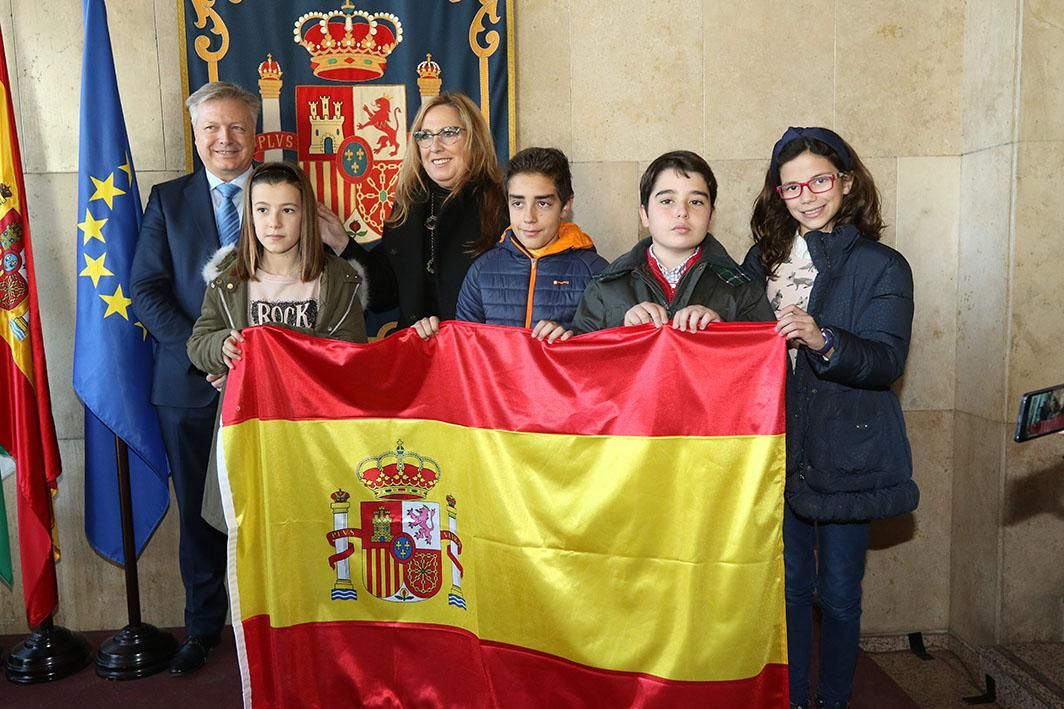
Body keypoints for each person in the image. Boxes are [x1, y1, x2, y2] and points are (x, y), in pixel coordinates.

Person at [742, 126, 918, 709]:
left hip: (847, 447)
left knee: (839, 593)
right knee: (789, 590)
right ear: (778, 194)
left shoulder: (882, 265)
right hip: (775, 448)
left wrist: (824, 340)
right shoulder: (760, 259)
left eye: (819, 180)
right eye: (792, 187)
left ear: (845, 181)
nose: (808, 195)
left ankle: (834, 700)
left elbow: (886, 360)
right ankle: (791, 699)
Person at [130, 81, 260, 675]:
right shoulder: (167, 200)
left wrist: (256, 360)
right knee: (200, 518)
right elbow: (146, 291)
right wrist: (210, 354)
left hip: (269, 389)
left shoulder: (283, 193)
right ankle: (204, 629)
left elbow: (311, 278)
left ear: (255, 132)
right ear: (195, 133)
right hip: (188, 388)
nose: (224, 139)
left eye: (235, 126)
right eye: (211, 127)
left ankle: (274, 625)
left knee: (269, 509)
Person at [334, 92, 506, 330]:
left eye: (449, 133)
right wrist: (342, 243)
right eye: (424, 136)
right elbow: (384, 294)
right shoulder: (408, 207)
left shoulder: (504, 206)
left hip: (475, 355)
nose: (434, 146)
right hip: (416, 356)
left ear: (475, 139)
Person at [186, 161, 367, 377]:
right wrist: (222, 345)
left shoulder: (339, 277)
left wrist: (271, 338)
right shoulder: (228, 279)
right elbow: (198, 343)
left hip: (314, 407)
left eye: (288, 210)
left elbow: (353, 353)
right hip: (251, 408)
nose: (274, 222)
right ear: (250, 216)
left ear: (306, 215)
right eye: (262, 210)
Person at [414, 147, 607, 342]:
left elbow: (611, 354)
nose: (529, 218)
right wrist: (432, 340)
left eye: (543, 204)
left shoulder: (597, 273)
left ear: (565, 206)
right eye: (518, 203)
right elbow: (464, 351)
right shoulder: (482, 271)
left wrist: (572, 338)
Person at [570, 150, 774, 334]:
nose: (682, 212)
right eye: (667, 201)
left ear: (710, 215)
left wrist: (721, 331)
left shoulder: (743, 288)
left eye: (696, 202)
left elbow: (768, 362)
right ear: (645, 215)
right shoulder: (605, 287)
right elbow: (580, 364)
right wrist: (621, 329)